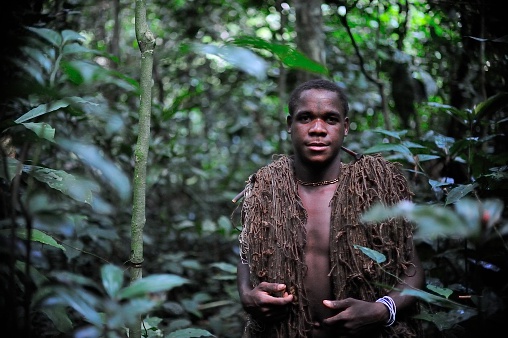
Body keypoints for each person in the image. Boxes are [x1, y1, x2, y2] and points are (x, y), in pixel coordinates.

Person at [235, 78, 425, 338]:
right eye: (305, 118)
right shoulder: (265, 189)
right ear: (290, 124)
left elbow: (413, 270)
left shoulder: (375, 188)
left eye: (330, 119)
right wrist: (246, 294)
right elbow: (246, 255)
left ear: (345, 127)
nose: (317, 129)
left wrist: (382, 310)